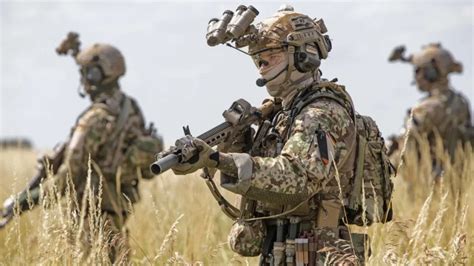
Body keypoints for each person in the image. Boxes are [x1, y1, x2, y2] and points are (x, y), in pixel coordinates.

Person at [165, 5, 393, 265]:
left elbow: (297, 178)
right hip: (284, 252)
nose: (261, 65)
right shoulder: (281, 114)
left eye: (270, 55)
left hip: (319, 255)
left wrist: (218, 160)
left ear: (303, 56)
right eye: (257, 58)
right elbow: (263, 175)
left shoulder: (321, 113)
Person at [0, 32, 163, 262]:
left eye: (86, 73)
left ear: (96, 75)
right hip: (118, 211)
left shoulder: (94, 119)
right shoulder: (130, 108)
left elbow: (65, 180)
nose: (83, 79)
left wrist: (20, 202)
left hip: (91, 217)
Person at [388, 43, 472, 177]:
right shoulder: (461, 102)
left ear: (430, 73)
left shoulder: (427, 108)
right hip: (459, 179)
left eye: (418, 70)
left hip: (432, 186)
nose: (416, 76)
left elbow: (403, 146)